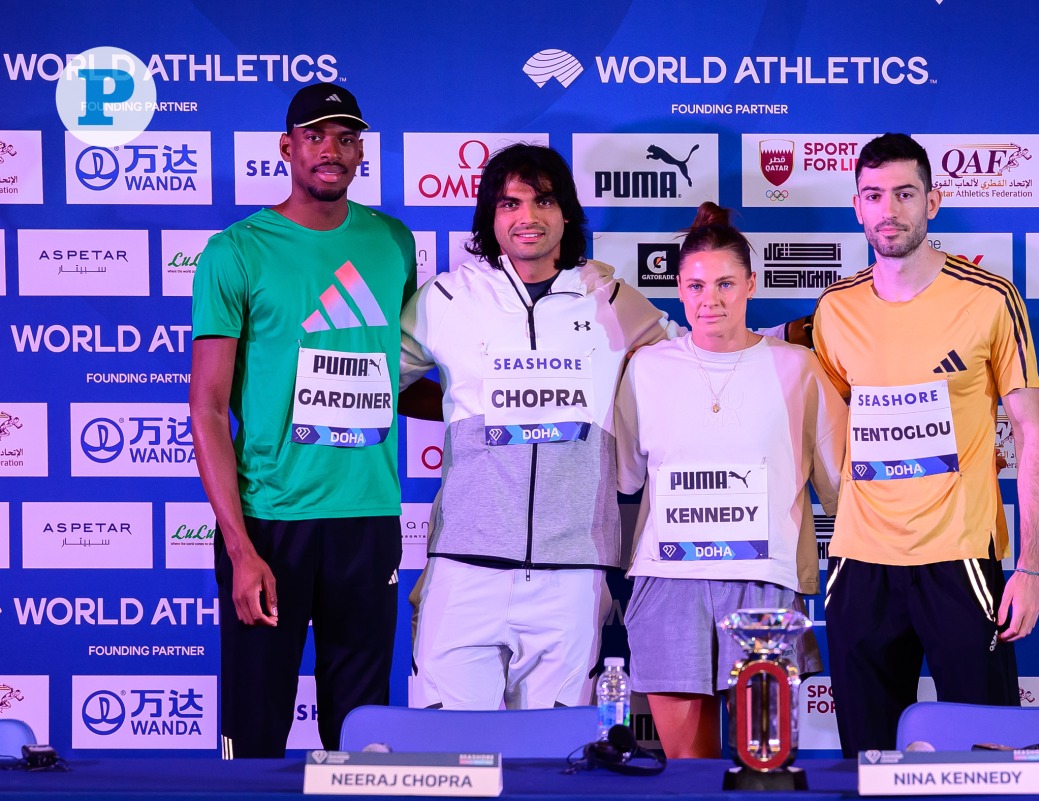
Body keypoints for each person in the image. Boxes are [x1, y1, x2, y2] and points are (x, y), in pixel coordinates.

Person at [398, 143, 682, 711]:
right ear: (490, 216)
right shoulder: (449, 298)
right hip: (465, 563)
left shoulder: (614, 300)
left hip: (572, 570)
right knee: (453, 755)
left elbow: (693, 367)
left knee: (554, 761)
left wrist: (789, 335)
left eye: (543, 200)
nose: (527, 217)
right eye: (510, 203)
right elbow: (374, 385)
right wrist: (458, 406)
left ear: (567, 212)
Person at [190, 83, 425, 757]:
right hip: (271, 522)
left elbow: (396, 380)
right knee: (254, 730)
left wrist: (489, 406)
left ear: (362, 152)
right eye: (317, 135)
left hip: (367, 518)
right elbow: (206, 407)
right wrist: (238, 547)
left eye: (347, 137)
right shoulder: (236, 250)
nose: (333, 150)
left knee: (362, 737)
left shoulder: (392, 242)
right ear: (287, 147)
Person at [812, 133, 1039, 756]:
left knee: (987, 759)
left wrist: (1029, 566)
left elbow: (1031, 431)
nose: (888, 209)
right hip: (860, 565)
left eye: (904, 193)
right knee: (865, 761)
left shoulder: (990, 299)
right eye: (873, 195)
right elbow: (834, 425)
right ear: (857, 208)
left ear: (933, 202)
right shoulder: (835, 310)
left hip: (961, 559)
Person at [612, 202, 845, 758]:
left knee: (762, 767)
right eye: (694, 285)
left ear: (750, 285)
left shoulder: (798, 367)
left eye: (724, 283)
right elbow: (624, 478)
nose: (708, 299)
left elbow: (842, 481)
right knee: (688, 775)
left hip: (763, 580)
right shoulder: (647, 368)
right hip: (668, 580)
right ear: (678, 287)